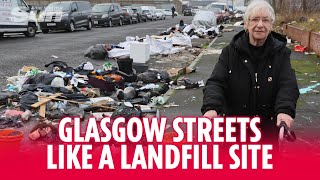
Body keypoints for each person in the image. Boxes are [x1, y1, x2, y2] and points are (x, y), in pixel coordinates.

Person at [201, 0, 299, 145]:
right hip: (233, 131)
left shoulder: (281, 53)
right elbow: (216, 82)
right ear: (246, 23)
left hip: (267, 132)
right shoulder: (230, 52)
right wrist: (211, 108)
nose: (260, 24)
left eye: (265, 20)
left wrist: (284, 110)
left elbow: (287, 85)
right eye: (254, 19)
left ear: (271, 25)